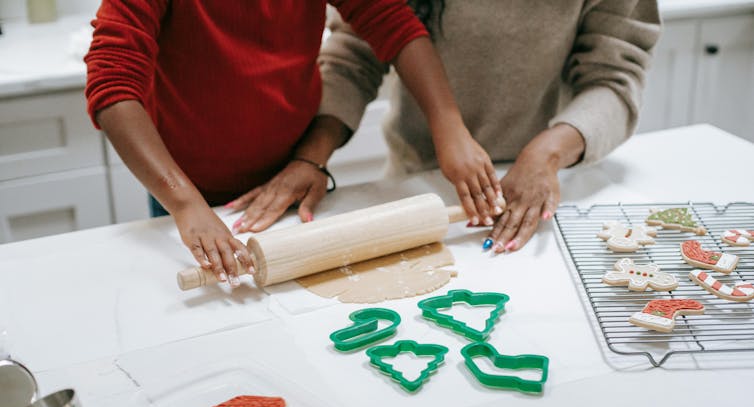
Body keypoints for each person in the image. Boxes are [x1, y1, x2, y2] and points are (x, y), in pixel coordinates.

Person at [84, 1, 501, 287]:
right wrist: (184, 202)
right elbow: (112, 81)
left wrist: (448, 124)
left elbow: (391, 21)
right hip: (189, 190)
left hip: (293, 179)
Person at [317, 0, 661, 253]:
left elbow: (615, 80)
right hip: (420, 183)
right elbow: (354, 53)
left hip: (543, 189)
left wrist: (548, 153)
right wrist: (311, 155)